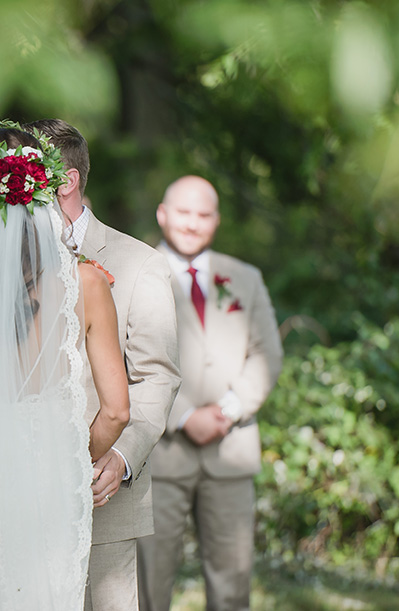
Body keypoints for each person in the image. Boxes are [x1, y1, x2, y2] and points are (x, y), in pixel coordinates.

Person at [0, 122, 130, 610]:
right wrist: (67, 458)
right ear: (43, 188)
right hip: (53, 481)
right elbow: (117, 410)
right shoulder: (86, 284)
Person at [27, 118, 181, 611]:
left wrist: (122, 456)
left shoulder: (139, 264)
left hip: (102, 493)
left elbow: (157, 375)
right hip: (19, 489)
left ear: (66, 181)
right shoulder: (3, 263)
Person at [137, 176, 283, 611]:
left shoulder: (245, 277)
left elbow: (267, 354)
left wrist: (228, 409)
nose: (192, 224)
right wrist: (183, 416)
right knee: (148, 585)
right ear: (163, 214)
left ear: (216, 221)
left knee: (233, 584)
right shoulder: (137, 271)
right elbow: (127, 356)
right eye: (184, 212)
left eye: (203, 215)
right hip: (159, 454)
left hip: (230, 450)